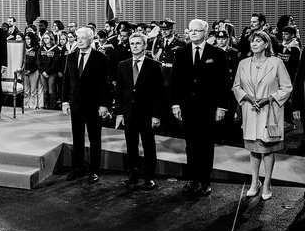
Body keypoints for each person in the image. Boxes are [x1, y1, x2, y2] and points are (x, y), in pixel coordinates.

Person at [171, 19, 229, 196]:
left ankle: (205, 180)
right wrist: (175, 104)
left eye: (197, 30)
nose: (193, 33)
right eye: (191, 30)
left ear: (205, 32)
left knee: (206, 145)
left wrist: (222, 107)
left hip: (208, 108)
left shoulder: (217, 53)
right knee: (190, 145)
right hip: (187, 107)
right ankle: (192, 178)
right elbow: (175, 81)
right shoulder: (181, 53)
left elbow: (223, 83)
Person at [232, 30, 292, 200]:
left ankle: (267, 183)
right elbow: (236, 86)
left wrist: (268, 99)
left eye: (258, 41)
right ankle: (254, 182)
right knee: (254, 148)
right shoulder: (243, 63)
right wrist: (248, 97)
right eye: (252, 41)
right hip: (250, 110)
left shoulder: (276, 63)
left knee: (268, 148)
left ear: (266, 44)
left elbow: (287, 87)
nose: (254, 44)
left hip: (269, 110)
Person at [115, 33, 164, 190]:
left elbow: (159, 93)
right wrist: (119, 113)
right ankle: (133, 175)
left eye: (138, 43)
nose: (135, 46)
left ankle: (148, 178)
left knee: (149, 147)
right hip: (129, 113)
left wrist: (156, 115)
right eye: (132, 43)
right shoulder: (122, 65)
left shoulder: (154, 66)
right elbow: (119, 91)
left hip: (147, 115)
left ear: (145, 45)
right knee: (131, 146)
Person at [62, 27, 111, 183]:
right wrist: (65, 101)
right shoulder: (70, 57)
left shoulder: (101, 57)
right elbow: (66, 81)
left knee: (94, 138)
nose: (80, 41)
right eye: (78, 38)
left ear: (91, 39)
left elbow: (105, 84)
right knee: (77, 137)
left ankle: (94, 170)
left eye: (83, 38)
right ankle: (77, 168)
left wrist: (104, 105)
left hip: (94, 106)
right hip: (76, 105)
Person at [37, 31, 60, 109]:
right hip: (42, 72)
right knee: (45, 90)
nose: (45, 39)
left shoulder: (56, 49)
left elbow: (56, 62)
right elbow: (39, 61)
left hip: (52, 72)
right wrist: (43, 71)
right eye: (44, 38)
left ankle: (52, 106)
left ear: (51, 39)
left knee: (51, 90)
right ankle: (46, 106)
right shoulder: (41, 48)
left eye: (47, 38)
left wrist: (47, 72)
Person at [22, 33, 40, 110]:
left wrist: (30, 70)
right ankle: (25, 104)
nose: (27, 40)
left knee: (33, 90)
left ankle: (33, 105)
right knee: (26, 90)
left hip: (34, 71)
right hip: (24, 71)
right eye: (26, 39)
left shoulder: (37, 48)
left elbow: (37, 62)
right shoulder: (23, 48)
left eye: (29, 39)